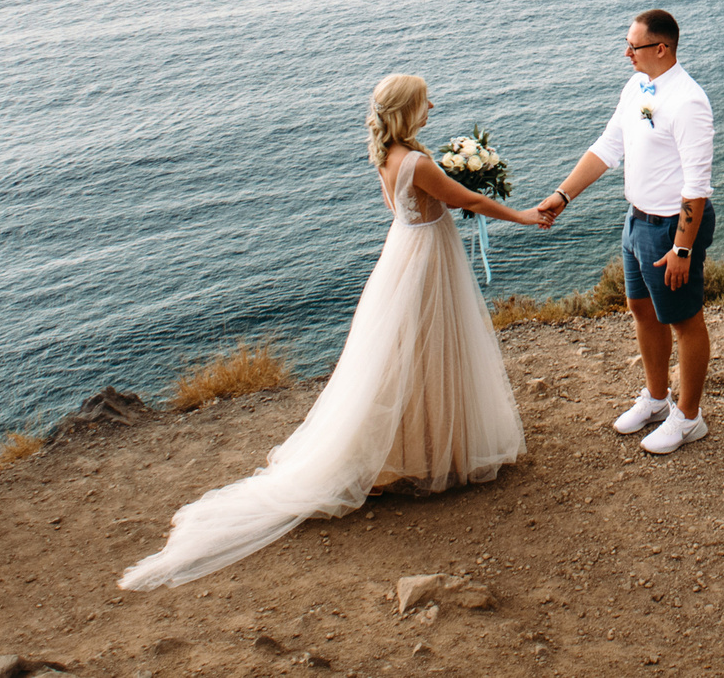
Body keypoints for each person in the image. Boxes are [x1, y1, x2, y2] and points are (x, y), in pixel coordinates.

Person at [118, 74, 548, 590]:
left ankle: (411, 455)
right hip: (427, 263)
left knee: (404, 359)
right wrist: (524, 216)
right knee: (430, 351)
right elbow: (469, 203)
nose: (432, 105)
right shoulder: (416, 163)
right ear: (407, 110)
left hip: (404, 254)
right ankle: (431, 456)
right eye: (424, 101)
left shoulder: (390, 155)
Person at [539, 8, 716, 455]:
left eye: (633, 46)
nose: (626, 53)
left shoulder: (689, 101)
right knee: (641, 308)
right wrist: (562, 195)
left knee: (685, 321)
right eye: (627, 44)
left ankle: (689, 418)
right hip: (636, 219)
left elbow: (697, 186)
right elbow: (608, 146)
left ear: (662, 48)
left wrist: (682, 248)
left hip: (671, 228)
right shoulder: (636, 87)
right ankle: (657, 399)